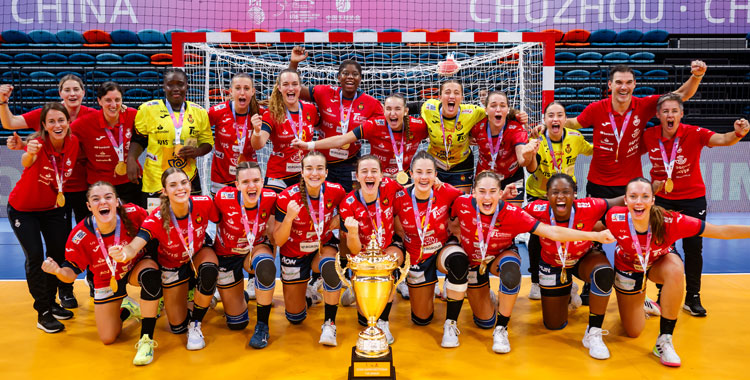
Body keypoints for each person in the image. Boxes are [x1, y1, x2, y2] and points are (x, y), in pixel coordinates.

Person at [562, 61, 707, 305]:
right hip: (598, 185)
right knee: (589, 237)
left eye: (629, 82)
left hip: (631, 190)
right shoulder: (597, 108)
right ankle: (590, 284)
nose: (624, 87)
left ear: (634, 85)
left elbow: (681, 95)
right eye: (619, 82)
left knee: (640, 239)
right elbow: (575, 123)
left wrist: (697, 75)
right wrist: (549, 123)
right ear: (610, 85)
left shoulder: (644, 105)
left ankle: (645, 288)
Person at [444, 171, 614, 352]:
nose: (487, 197)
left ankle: (501, 329)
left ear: (500, 193)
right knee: (484, 320)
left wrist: (595, 235)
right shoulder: (461, 203)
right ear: (473, 192)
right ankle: (482, 299)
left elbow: (554, 232)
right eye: (482, 191)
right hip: (473, 262)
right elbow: (443, 211)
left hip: (499, 257)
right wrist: (455, 231)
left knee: (511, 272)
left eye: (493, 191)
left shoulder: (514, 213)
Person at [604, 177, 750, 367]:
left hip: (658, 264)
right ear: (625, 200)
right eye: (633, 196)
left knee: (675, 269)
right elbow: (592, 229)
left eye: (644, 196)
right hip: (629, 268)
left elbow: (721, 231)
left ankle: (664, 339)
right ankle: (643, 300)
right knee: (633, 331)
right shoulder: (614, 217)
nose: (639, 201)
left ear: (652, 200)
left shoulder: (671, 221)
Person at [642, 93, 750, 316]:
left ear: (682, 114)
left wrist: (740, 132)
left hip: (692, 199)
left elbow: (724, 139)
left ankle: (693, 297)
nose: (670, 115)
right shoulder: (649, 136)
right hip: (662, 201)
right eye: (665, 111)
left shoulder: (694, 133)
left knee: (694, 249)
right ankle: (664, 295)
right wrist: (650, 188)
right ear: (658, 115)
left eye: (674, 111)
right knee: (663, 250)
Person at [41, 182, 161, 365]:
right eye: (96, 199)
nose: (102, 202)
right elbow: (70, 274)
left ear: (117, 201)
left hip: (136, 266)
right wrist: (57, 271)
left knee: (150, 276)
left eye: (108, 197)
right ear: (89, 206)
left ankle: (146, 338)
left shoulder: (134, 213)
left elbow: (156, 225)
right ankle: (127, 310)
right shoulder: (79, 235)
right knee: (108, 338)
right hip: (106, 277)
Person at [2, 75, 96, 308]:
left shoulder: (90, 117)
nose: (72, 93)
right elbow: (12, 126)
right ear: (60, 93)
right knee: (53, 248)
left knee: (87, 238)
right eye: (67, 89)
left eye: (76, 89)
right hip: (54, 194)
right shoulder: (48, 114)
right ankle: (61, 293)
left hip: (82, 188)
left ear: (84, 92)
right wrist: (3, 105)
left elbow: (115, 117)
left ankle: (96, 282)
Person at [109, 167, 220, 351]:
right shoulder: (156, 218)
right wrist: (124, 253)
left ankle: (196, 324)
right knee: (177, 326)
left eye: (184, 183)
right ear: (165, 191)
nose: (180, 188)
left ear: (190, 185)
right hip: (172, 265)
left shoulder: (205, 202)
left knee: (209, 270)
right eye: (173, 185)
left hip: (197, 252)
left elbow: (222, 221)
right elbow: (135, 245)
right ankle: (187, 300)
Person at [524, 173, 623, 360]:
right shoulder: (535, 208)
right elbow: (507, 215)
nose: (560, 196)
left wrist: (648, 193)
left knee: (604, 273)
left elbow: (623, 200)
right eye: (555, 192)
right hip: (553, 263)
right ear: (546, 196)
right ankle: (568, 288)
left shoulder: (590, 205)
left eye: (566, 192)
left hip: (583, 258)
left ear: (575, 195)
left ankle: (593, 331)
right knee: (553, 324)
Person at [7, 103, 78, 332]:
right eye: (51, 122)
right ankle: (43, 312)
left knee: (57, 255)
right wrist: (28, 152)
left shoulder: (73, 142)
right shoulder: (36, 144)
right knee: (36, 256)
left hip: (52, 208)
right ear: (45, 126)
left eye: (61, 120)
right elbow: (26, 162)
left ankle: (51, 302)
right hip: (23, 209)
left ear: (68, 122)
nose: (57, 125)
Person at [274, 151, 347, 346]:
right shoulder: (286, 198)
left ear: (326, 172)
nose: (314, 173)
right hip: (294, 253)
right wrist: (289, 218)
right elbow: (279, 241)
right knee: (295, 318)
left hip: (321, 248)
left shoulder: (336, 191)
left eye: (319, 169)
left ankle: (329, 324)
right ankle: (308, 292)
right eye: (309, 168)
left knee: (330, 266)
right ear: (302, 172)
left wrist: (339, 219)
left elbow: (351, 209)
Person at [289, 46, 384, 193]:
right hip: (322, 162)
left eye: (355, 74)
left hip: (350, 163)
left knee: (349, 204)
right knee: (320, 202)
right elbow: (294, 90)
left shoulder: (372, 103)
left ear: (360, 78)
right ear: (338, 77)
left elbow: (389, 121)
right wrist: (294, 63)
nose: (350, 77)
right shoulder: (324, 92)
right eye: (345, 73)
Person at [525, 101, 593, 300]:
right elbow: (530, 168)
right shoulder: (537, 139)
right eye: (551, 115)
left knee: (569, 238)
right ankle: (536, 281)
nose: (555, 119)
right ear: (544, 120)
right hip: (539, 193)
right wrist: (531, 150)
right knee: (537, 237)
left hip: (566, 195)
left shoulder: (576, 138)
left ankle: (568, 280)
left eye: (559, 115)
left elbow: (594, 151)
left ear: (565, 119)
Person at [339, 155, 405, 344]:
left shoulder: (390, 187)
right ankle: (356, 287)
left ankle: (383, 321)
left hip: (389, 247)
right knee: (363, 319)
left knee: (388, 265)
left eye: (374, 171)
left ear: (381, 175)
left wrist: (436, 180)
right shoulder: (348, 204)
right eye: (364, 172)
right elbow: (354, 249)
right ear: (357, 177)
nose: (370, 175)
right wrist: (352, 232)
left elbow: (416, 188)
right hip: (363, 256)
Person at [393, 151, 464, 328]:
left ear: (435, 175)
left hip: (442, 249)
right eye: (419, 172)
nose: (424, 177)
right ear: (411, 174)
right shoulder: (400, 197)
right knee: (421, 320)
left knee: (458, 260)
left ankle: (451, 322)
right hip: (417, 256)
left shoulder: (446, 191)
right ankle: (428, 287)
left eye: (429, 172)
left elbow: (473, 203)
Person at [293, 93, 427, 185]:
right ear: (383, 110)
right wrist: (308, 145)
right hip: (376, 180)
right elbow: (342, 140)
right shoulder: (374, 125)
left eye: (398, 109)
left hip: (404, 181)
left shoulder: (419, 126)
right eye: (388, 109)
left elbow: (439, 136)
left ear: (405, 111)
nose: (393, 113)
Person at [213, 162, 277, 348]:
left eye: (256, 180)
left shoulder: (271, 197)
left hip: (254, 248)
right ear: (237, 184)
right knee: (237, 323)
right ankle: (236, 291)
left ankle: (262, 326)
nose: (251, 186)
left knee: (266, 266)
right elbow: (215, 223)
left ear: (263, 182)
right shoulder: (222, 197)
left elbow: (274, 233)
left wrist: (271, 257)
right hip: (227, 253)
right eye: (246, 181)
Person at [130, 68, 214, 209]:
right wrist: (131, 159)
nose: (176, 88)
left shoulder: (199, 112)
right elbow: (139, 139)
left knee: (188, 222)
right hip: (155, 180)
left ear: (186, 86)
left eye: (180, 84)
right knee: (156, 222)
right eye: (170, 84)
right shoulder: (148, 110)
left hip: (188, 179)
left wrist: (197, 152)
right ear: (164, 86)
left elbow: (208, 142)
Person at [72, 82, 142, 206]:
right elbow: (62, 134)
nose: (113, 105)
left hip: (131, 181)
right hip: (100, 185)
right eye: (108, 100)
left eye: (117, 100)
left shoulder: (132, 115)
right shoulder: (85, 122)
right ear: (99, 101)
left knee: (133, 221)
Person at [250, 69, 318, 193]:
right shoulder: (272, 113)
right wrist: (256, 131)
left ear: (300, 87)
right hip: (278, 174)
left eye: (294, 84)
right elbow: (258, 145)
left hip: (304, 174)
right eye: (286, 84)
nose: (290, 88)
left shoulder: (310, 109)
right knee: (277, 211)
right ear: (279, 88)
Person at [470, 90, 539, 202]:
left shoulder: (516, 129)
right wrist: (468, 139)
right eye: (493, 105)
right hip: (485, 177)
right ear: (486, 110)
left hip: (512, 177)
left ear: (507, 110)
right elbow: (461, 136)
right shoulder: (477, 127)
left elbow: (522, 161)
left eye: (502, 106)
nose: (498, 109)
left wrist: (528, 154)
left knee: (510, 217)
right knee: (484, 216)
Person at [420, 80, 486, 192]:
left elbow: (496, 113)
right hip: (435, 164)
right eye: (447, 92)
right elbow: (404, 109)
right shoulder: (428, 108)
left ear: (462, 98)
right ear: (440, 97)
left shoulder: (472, 112)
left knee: (460, 203)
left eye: (456, 93)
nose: (451, 96)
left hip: (461, 165)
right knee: (434, 203)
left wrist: (517, 115)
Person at [208, 73, 264, 196]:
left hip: (248, 177)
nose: (242, 93)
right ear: (231, 92)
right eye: (238, 88)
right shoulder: (217, 112)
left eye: (247, 88)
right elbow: (200, 131)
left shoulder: (260, 113)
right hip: (221, 178)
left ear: (253, 91)